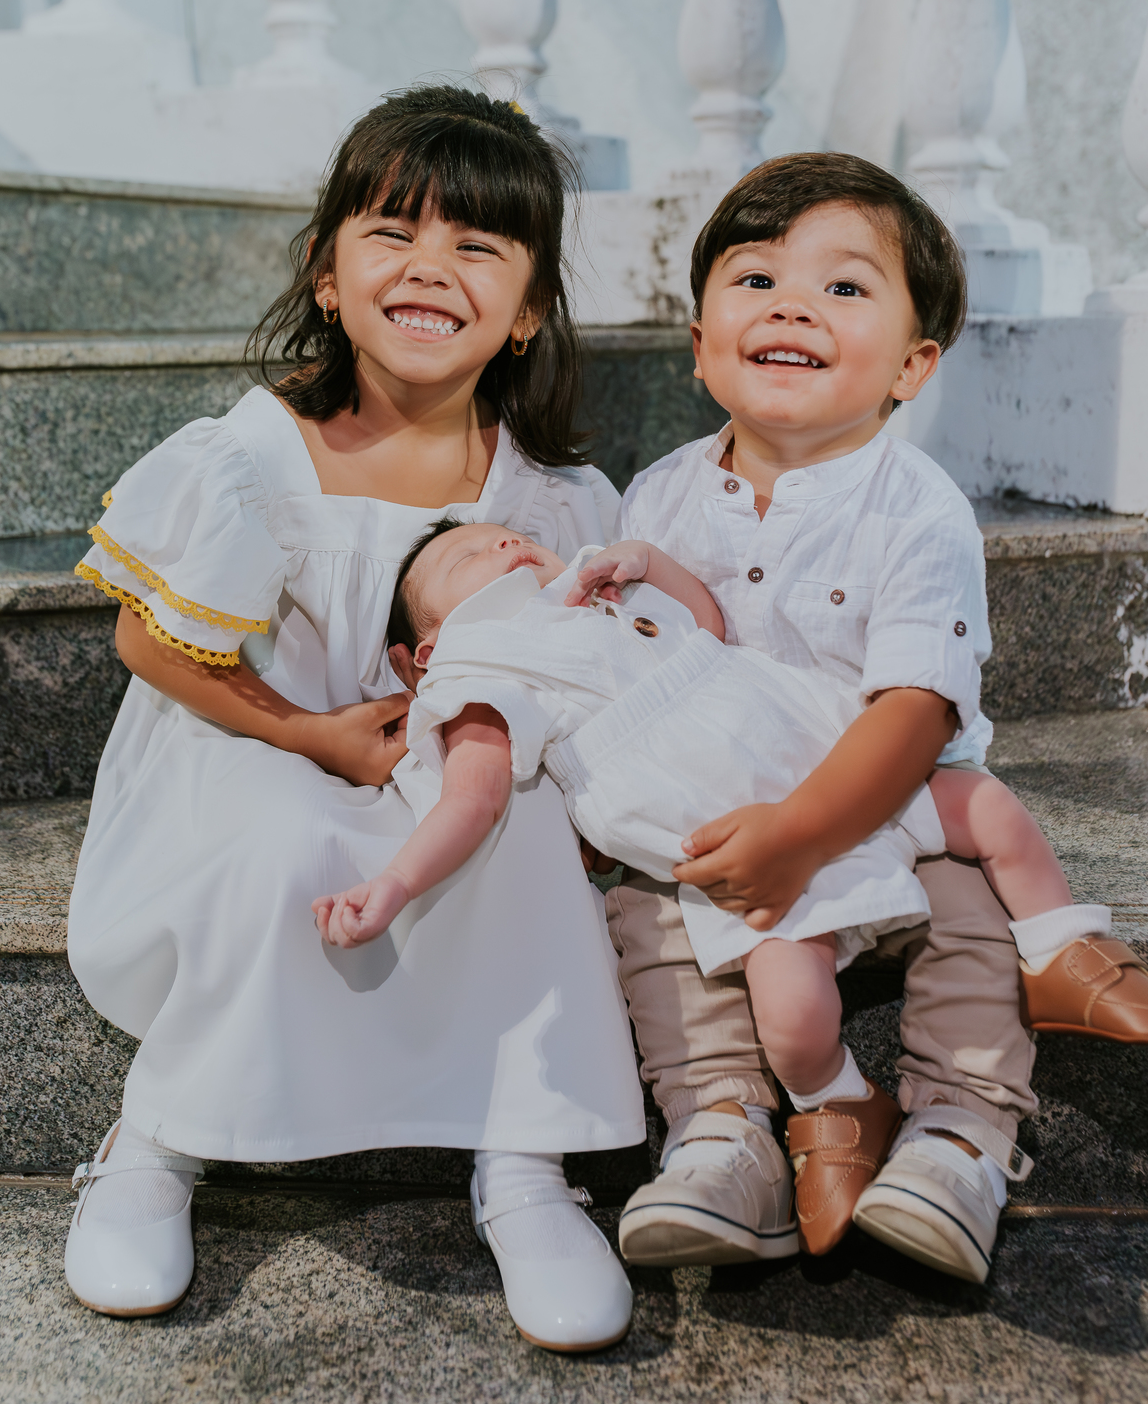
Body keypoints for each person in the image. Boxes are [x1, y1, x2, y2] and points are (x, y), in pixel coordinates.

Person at [64, 86, 643, 1353]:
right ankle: (157, 1136)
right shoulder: (255, 453)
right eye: (392, 232)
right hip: (256, 743)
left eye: (478, 246)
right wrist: (309, 735)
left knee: (522, 828)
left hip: (450, 762)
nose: (430, 267)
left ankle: (529, 1157)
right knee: (280, 841)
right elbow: (142, 635)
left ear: (530, 306)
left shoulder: (552, 500)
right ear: (328, 275)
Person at [603, 152, 1148, 1285]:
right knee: (652, 911)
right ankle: (721, 1130)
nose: (793, 302)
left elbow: (910, 713)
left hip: (893, 807)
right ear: (702, 344)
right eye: (754, 279)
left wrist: (802, 834)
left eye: (844, 287)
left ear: (912, 366)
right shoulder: (655, 496)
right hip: (727, 812)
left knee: (965, 909)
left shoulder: (920, 512)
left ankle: (960, 1129)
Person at [318, 517, 1144, 1255]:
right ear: (425, 653)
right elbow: (475, 794)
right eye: (468, 555)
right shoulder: (481, 667)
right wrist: (392, 886)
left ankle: (1062, 951)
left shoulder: (605, 593)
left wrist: (650, 560)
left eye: (508, 531)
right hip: (738, 837)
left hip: (822, 753)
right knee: (791, 1014)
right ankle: (842, 1102)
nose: (503, 541)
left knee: (988, 805)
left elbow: (707, 623)